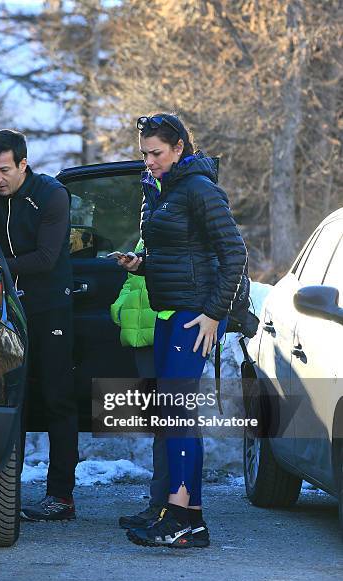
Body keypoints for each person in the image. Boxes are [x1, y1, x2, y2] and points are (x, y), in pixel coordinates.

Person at [118, 114, 247, 548]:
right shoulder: (158, 189)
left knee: (177, 413)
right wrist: (143, 264)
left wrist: (214, 313)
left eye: (156, 153)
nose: (149, 161)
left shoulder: (199, 188)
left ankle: (182, 516)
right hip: (169, 311)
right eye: (144, 154)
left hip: (196, 314)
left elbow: (234, 253)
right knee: (175, 414)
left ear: (178, 148)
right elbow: (181, 255)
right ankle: (188, 520)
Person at [0, 128, 78, 521]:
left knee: (58, 399)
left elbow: (46, 258)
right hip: (1, 309)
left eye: (4, 170)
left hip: (49, 306)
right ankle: (4, 493)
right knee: (7, 400)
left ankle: (61, 496)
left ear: (23, 163)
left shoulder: (51, 194)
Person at [111, 240, 170, 529]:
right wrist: (121, 309)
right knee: (160, 423)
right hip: (143, 339)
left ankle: (168, 506)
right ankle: (160, 504)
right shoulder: (151, 227)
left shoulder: (180, 219)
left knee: (171, 423)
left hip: (167, 333)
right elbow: (133, 283)